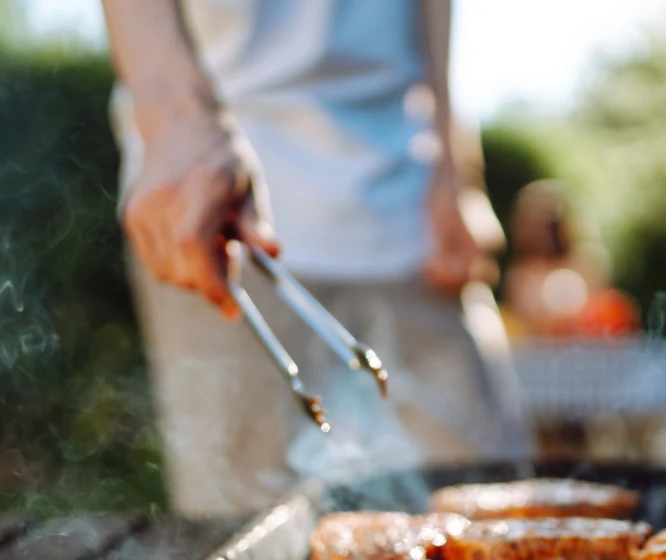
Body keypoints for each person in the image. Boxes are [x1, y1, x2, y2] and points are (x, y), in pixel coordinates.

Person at [100, 0, 529, 516]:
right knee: (241, 529)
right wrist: (178, 121)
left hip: (410, 196)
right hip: (215, 198)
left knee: (500, 507)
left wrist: (455, 165)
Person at [502, 181, 638, 339]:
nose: (543, 234)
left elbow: (604, 314)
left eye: (551, 223)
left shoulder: (588, 261)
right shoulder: (519, 274)